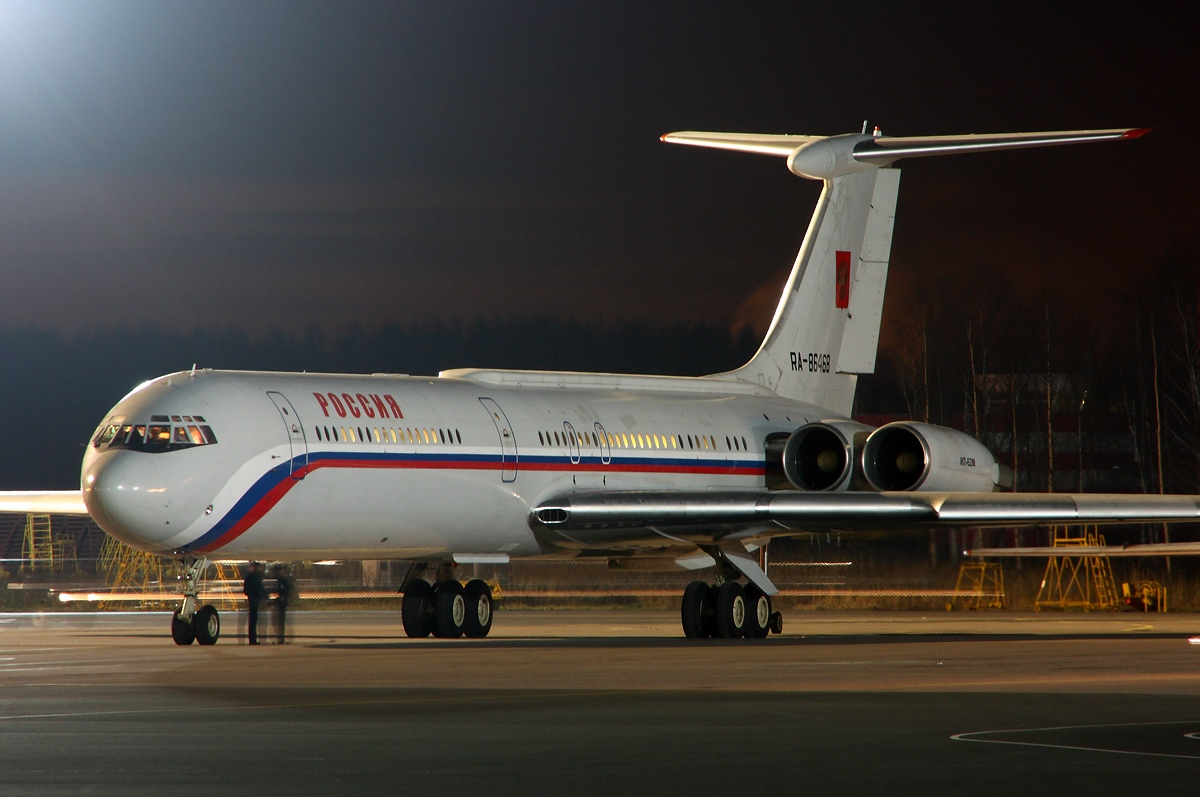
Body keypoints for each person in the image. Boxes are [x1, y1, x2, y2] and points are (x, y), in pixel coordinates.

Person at [242, 561, 267, 645]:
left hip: (252, 600)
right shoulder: (256, 578)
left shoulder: (250, 578)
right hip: (255, 601)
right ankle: (253, 640)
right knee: (253, 621)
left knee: (252, 621)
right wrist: (262, 596)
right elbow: (259, 589)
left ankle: (252, 639)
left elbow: (246, 590)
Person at [271, 563, 292, 644]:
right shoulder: (283, 580)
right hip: (281, 603)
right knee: (279, 622)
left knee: (280, 622)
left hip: (281, 603)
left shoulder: (283, 581)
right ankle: (280, 638)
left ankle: (280, 639)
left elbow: (283, 591)